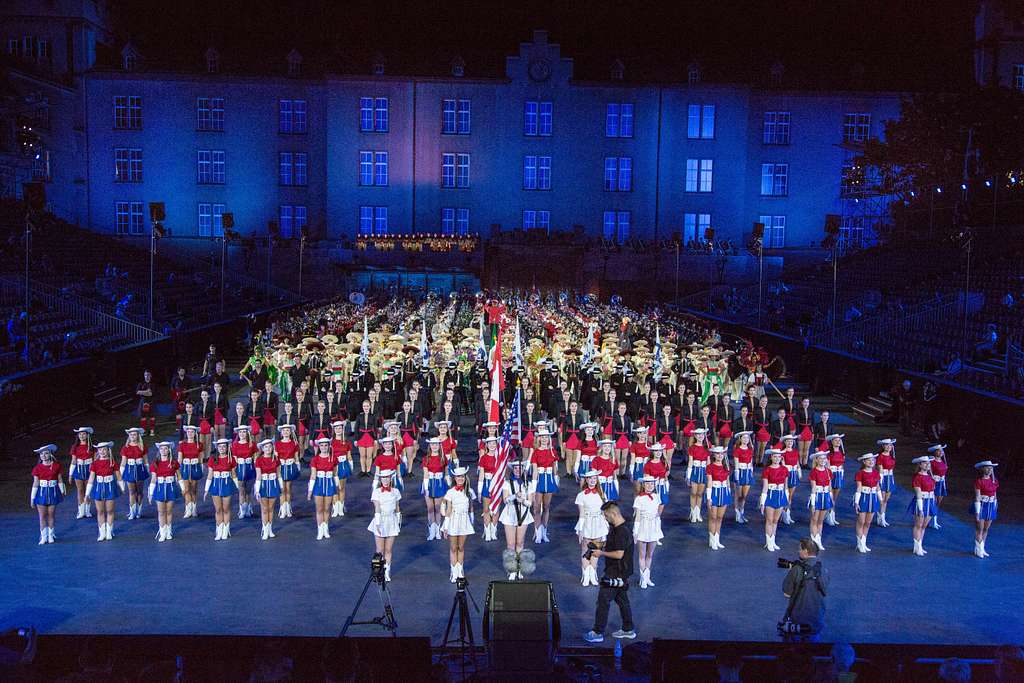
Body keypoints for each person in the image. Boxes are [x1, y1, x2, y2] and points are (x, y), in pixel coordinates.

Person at [583, 501, 636, 643]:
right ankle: (628, 628)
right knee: (622, 599)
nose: (605, 518)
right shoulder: (617, 528)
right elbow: (614, 544)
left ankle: (597, 632)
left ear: (613, 514)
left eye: (606, 516)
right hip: (621, 572)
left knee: (603, 601)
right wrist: (602, 545)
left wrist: (601, 553)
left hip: (616, 572)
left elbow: (619, 554)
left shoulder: (622, 531)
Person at [780, 538, 829, 640]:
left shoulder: (797, 569)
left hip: (798, 619)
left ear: (806, 551)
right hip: (817, 620)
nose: (798, 551)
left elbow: (787, 594)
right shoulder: (824, 570)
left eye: (800, 549)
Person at [499, 458, 534, 577]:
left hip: (523, 514)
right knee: (510, 544)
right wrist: (514, 496)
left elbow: (530, 503)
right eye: (515, 468)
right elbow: (505, 500)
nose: (517, 470)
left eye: (520, 468)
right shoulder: (507, 483)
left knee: (520, 543)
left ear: (523, 469)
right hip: (510, 514)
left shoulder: (528, 484)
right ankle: (512, 569)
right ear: (512, 470)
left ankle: (519, 568)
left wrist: (523, 500)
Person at [441, 466, 475, 582]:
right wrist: (446, 527)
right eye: (458, 476)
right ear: (454, 478)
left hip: (464, 521)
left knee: (461, 547)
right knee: (453, 547)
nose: (460, 478)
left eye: (462, 476)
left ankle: (460, 571)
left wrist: (472, 521)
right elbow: (448, 510)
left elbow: (471, 508)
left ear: (465, 477)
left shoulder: (469, 491)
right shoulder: (450, 492)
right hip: (453, 521)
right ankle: (453, 571)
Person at [85, 441, 124, 542]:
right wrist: (87, 493)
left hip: (110, 487)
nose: (102, 451)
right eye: (100, 449)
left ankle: (109, 531)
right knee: (100, 511)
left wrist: (122, 488)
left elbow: (119, 476)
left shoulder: (113, 462)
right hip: (98, 487)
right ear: (98, 451)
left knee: (110, 510)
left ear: (108, 451)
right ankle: (102, 533)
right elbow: (91, 478)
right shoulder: (94, 464)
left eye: (104, 449)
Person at [575, 469, 608, 586]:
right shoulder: (581, 495)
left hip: (598, 523)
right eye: (590, 478)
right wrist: (580, 529)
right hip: (587, 523)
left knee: (595, 550)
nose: (593, 480)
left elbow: (605, 512)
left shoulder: (602, 493)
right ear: (587, 480)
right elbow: (582, 514)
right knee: (585, 550)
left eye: (595, 478)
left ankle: (593, 573)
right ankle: (585, 575)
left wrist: (606, 528)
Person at [368, 469, 402, 582]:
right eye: (383, 478)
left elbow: (397, 508)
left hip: (391, 521)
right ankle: (379, 572)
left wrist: (398, 522)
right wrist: (378, 523)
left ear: (390, 478)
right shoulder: (376, 492)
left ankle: (387, 572)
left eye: (387, 477)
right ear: (381, 479)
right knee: (380, 550)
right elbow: (377, 508)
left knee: (388, 550)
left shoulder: (396, 491)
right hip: (381, 521)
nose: (385, 480)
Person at [204, 437, 240, 540]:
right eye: (220, 446)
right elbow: (210, 475)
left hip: (227, 484)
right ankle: (219, 530)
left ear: (227, 447)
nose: (222, 448)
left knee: (226, 508)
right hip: (215, 485)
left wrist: (237, 487)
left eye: (224, 446)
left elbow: (233, 474)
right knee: (218, 509)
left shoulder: (231, 459)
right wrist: (206, 490)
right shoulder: (212, 459)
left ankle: (226, 530)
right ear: (217, 448)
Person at [30, 444, 65, 544]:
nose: (44, 455)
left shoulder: (56, 466)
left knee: (51, 515)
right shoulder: (37, 468)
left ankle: (50, 535)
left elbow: (59, 479)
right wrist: (32, 498)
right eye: (41, 454)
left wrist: (62, 491)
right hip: (41, 493)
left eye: (46, 453)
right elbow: (35, 483)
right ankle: (43, 536)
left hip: (53, 492)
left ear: (50, 454)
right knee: (42, 515)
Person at [148, 441, 181, 542]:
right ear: (159, 450)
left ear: (169, 450)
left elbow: (179, 476)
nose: (163, 450)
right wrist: (150, 493)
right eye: (161, 448)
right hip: (159, 488)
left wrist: (183, 488)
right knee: (161, 512)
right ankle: (162, 532)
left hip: (171, 488)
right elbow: (153, 479)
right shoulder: (155, 463)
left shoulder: (174, 463)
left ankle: (168, 531)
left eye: (166, 448)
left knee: (169, 511)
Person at [633, 475, 663, 587]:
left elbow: (657, 514)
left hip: (653, 527)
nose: (650, 485)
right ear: (643, 485)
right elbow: (638, 517)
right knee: (642, 555)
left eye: (652, 483)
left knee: (650, 555)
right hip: (643, 527)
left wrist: (658, 528)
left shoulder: (656, 497)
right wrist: (635, 532)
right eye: (648, 483)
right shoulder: (639, 499)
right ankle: (643, 579)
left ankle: (647, 577)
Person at [308, 437, 340, 540]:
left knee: (327, 508)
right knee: (319, 509)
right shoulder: (315, 459)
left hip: (329, 484)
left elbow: (335, 474)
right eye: (321, 445)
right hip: (318, 484)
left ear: (329, 446)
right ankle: (319, 529)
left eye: (326, 445)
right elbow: (313, 476)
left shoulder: (333, 458)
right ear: (319, 447)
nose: (324, 447)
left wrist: (337, 486)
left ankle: (325, 528)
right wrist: (310, 491)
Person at [530, 428, 559, 543]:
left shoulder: (552, 451)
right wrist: (533, 486)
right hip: (540, 480)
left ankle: (544, 532)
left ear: (549, 439)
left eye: (546, 437)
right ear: (539, 438)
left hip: (549, 479)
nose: (544, 439)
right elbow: (535, 470)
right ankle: (537, 533)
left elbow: (555, 469)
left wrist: (556, 480)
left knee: (546, 507)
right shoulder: (536, 452)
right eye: (542, 437)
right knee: (537, 507)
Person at [253, 438, 282, 540]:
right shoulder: (259, 460)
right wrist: (257, 490)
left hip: (273, 484)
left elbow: (279, 475)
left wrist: (281, 487)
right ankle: (265, 530)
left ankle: (270, 529)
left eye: (270, 446)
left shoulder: (276, 459)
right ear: (262, 448)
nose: (268, 448)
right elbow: (258, 476)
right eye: (266, 447)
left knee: (271, 508)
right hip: (263, 485)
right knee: (264, 509)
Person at [119, 426, 149, 520]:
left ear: (138, 435)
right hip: (129, 470)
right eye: (131, 434)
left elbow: (146, 461)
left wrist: (147, 471)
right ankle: (132, 512)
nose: (132, 436)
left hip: (140, 470)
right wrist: (120, 475)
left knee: (139, 492)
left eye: (134, 434)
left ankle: (139, 511)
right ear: (129, 436)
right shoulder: (125, 448)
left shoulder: (142, 446)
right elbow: (123, 462)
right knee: (132, 492)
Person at [760, 448, 787, 552]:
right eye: (775, 456)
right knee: (769, 520)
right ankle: (768, 542)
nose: (777, 458)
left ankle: (773, 540)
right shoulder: (767, 470)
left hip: (780, 496)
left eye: (779, 457)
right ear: (771, 457)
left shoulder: (784, 469)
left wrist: (786, 499)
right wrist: (762, 502)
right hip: (771, 496)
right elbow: (765, 487)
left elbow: (785, 486)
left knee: (776, 521)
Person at [422, 436, 449, 540]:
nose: (434, 446)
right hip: (429, 483)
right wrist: (426, 488)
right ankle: (431, 531)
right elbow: (425, 474)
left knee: (437, 508)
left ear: (439, 445)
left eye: (436, 444)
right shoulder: (426, 458)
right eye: (432, 444)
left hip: (439, 484)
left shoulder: (443, 458)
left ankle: (437, 531)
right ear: (430, 446)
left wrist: (448, 483)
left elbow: (446, 473)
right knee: (430, 509)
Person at [705, 445, 731, 550]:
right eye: (718, 454)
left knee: (720, 518)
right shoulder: (710, 467)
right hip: (714, 493)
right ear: (714, 455)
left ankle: (717, 539)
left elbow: (728, 481)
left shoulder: (727, 466)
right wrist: (708, 498)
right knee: (713, 517)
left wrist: (728, 493)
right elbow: (709, 482)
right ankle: (712, 541)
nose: (720, 455)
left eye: (722, 454)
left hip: (724, 492)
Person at [853, 453, 881, 553]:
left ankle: (864, 542)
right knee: (861, 521)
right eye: (869, 460)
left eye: (873, 460)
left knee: (868, 522)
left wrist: (880, 500)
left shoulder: (876, 473)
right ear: (864, 462)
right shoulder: (860, 473)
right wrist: (856, 502)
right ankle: (859, 543)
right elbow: (859, 488)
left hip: (873, 498)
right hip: (864, 498)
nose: (871, 462)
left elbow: (878, 488)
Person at [910, 455, 936, 556]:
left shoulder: (930, 476)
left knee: (924, 526)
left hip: (930, 501)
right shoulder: (917, 477)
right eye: (925, 463)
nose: (927, 465)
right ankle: (916, 547)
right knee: (918, 525)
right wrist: (920, 509)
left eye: (928, 463)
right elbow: (918, 494)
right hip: (921, 502)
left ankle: (920, 544)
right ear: (920, 465)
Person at [806, 451, 833, 551]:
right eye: (820, 459)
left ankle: (818, 540)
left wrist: (831, 499)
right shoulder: (814, 471)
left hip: (825, 496)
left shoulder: (828, 471)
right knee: (814, 519)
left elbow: (830, 487)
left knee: (821, 521)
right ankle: (813, 542)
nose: (823, 460)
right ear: (816, 460)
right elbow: (813, 488)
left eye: (824, 458)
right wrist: (813, 503)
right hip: (817, 496)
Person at [476, 436, 500, 541]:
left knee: (496, 509)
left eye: (494, 443)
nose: (492, 445)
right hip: (487, 483)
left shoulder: (500, 457)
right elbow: (481, 474)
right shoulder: (484, 458)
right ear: (487, 445)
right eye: (490, 443)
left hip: (497, 485)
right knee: (486, 509)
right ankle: (487, 532)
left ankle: (493, 530)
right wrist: (479, 490)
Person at [68, 426, 95, 519]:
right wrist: (70, 474)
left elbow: (95, 460)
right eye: (80, 434)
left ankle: (87, 510)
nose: (82, 436)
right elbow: (73, 461)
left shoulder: (91, 446)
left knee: (88, 491)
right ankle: (81, 511)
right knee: (80, 490)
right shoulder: (75, 447)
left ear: (87, 435)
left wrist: (95, 472)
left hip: (89, 469)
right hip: (78, 469)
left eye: (83, 434)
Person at [973, 460, 998, 558]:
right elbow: (977, 497)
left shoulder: (994, 481)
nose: (990, 469)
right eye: (987, 467)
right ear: (983, 469)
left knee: (986, 529)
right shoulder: (979, 481)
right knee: (980, 528)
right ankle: (978, 548)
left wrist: (995, 506)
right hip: (982, 505)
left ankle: (982, 548)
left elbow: (995, 494)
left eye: (991, 468)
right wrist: (977, 512)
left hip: (990, 505)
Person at [686, 428, 710, 523]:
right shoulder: (692, 448)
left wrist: (709, 476)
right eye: (699, 435)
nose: (701, 436)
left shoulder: (707, 447)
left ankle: (698, 513)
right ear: (695, 436)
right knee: (693, 493)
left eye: (702, 434)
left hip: (703, 472)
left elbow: (708, 463)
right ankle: (692, 513)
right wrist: (688, 476)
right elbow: (690, 462)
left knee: (700, 494)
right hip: (695, 472)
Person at [731, 431, 755, 523]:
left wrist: (751, 473)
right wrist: (737, 476)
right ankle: (737, 514)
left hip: (747, 473)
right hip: (740, 473)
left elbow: (751, 462)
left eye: (747, 438)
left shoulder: (750, 449)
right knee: (738, 495)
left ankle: (742, 512)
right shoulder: (737, 450)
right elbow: (736, 464)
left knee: (744, 496)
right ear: (740, 439)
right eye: (744, 438)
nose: (746, 440)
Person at [875, 438, 897, 527]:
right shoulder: (880, 456)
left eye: (890, 445)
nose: (889, 447)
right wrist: (880, 481)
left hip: (890, 477)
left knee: (886, 500)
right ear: (883, 446)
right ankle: (879, 517)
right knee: (882, 499)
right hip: (883, 478)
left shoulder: (892, 456)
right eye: (887, 445)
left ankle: (882, 517)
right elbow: (879, 469)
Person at [928, 444, 948, 529]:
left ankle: (934, 519)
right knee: (933, 501)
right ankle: (931, 521)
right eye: (939, 450)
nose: (941, 452)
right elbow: (930, 473)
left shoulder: (943, 461)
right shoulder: (932, 461)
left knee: (938, 502)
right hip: (935, 482)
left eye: (942, 451)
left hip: (942, 482)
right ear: (934, 452)